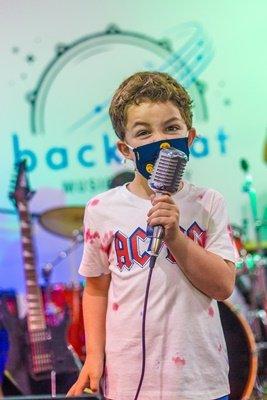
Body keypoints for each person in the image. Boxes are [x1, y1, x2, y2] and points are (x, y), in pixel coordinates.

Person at [67, 71, 236, 400]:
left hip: (200, 379)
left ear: (189, 138)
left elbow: (223, 285)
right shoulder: (102, 208)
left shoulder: (208, 202)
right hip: (130, 381)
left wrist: (176, 237)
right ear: (125, 148)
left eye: (171, 128)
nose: (160, 141)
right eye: (143, 132)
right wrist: (94, 357)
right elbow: (97, 288)